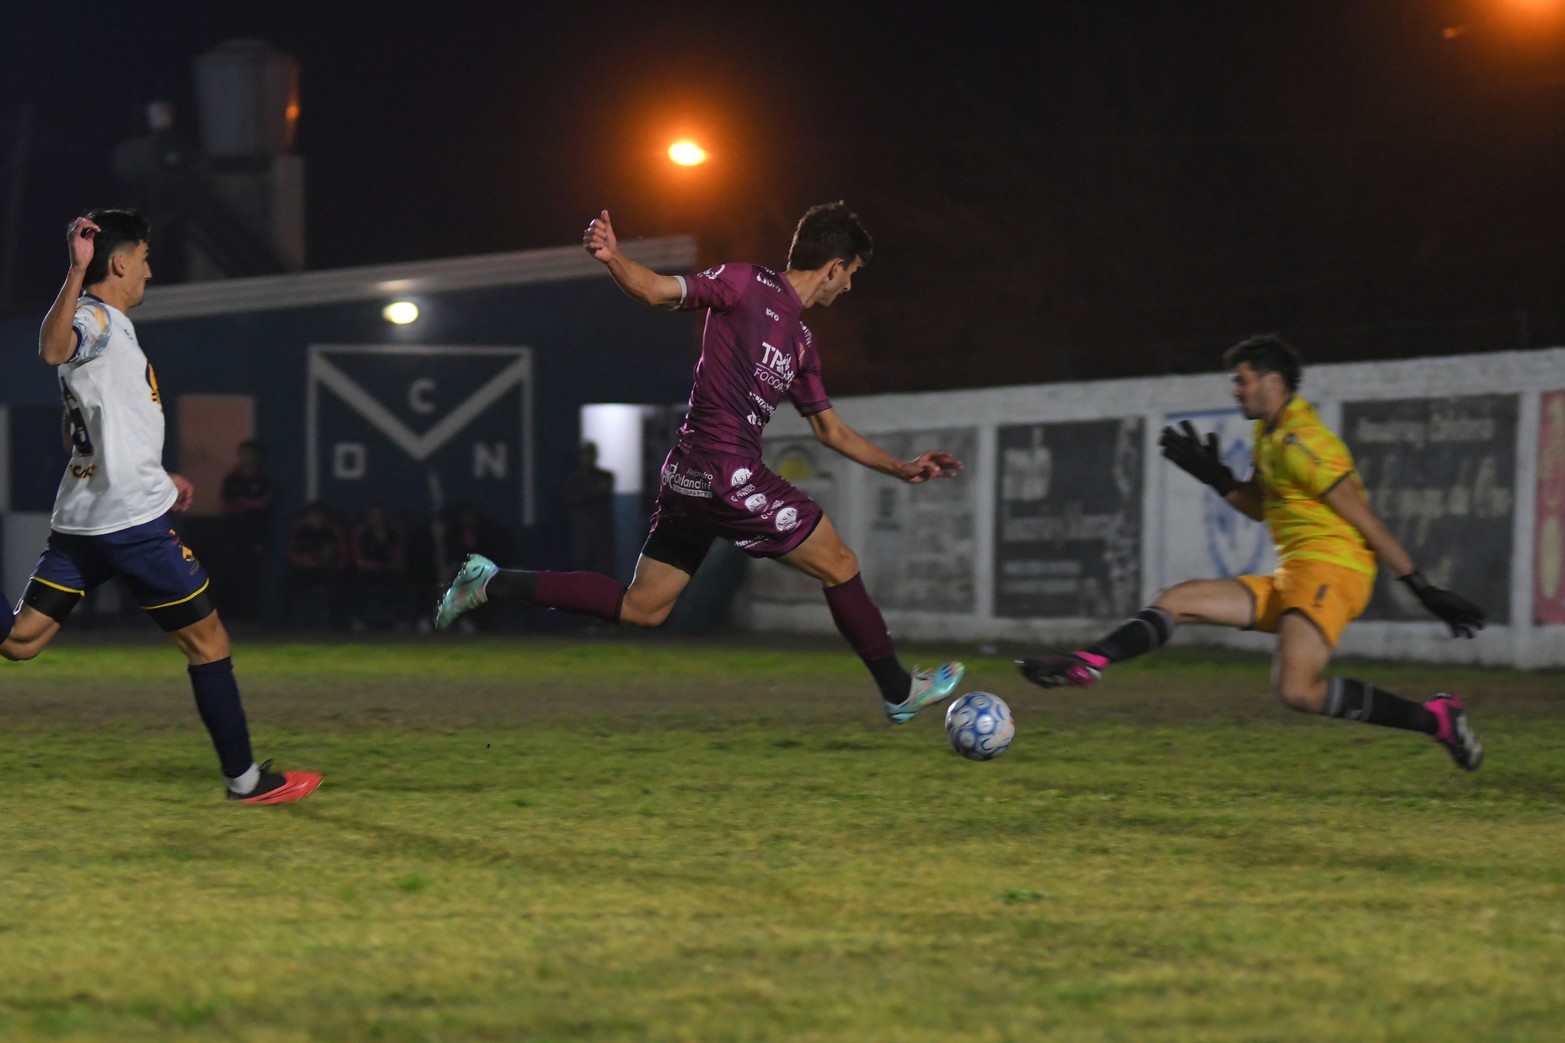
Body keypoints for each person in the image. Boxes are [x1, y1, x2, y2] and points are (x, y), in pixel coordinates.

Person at [437, 203, 966, 722]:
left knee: (644, 608)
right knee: (841, 564)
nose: (848, 287)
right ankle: (898, 690)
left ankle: (490, 582)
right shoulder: (745, 283)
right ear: (835, 267)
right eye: (851, 274)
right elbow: (658, 290)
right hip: (723, 470)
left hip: (690, 475)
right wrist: (613, 258)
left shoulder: (802, 342)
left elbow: (829, 430)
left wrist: (901, 467)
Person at [1017, 334, 1488, 770]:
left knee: (1297, 690)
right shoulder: (1270, 436)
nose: (1236, 392)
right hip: (1295, 575)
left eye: (1241, 382)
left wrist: (1424, 590)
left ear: (1272, 381)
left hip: (1333, 570)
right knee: (1176, 601)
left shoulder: (1304, 443)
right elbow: (1261, 508)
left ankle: (1436, 720)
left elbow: (1367, 521)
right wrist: (1218, 479)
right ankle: (1090, 663)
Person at [1, 210, 321, 803]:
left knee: (19, 640)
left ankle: (245, 779)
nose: (150, 269)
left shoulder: (112, 327)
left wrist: (160, 472)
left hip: (86, 517)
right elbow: (51, 348)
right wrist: (75, 271)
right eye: (144, 257)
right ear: (119, 263)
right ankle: (245, 781)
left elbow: (95, 429)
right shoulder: (95, 318)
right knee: (209, 642)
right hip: (133, 527)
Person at [219, 439, 275, 622]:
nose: (247, 458)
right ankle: (234, 615)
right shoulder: (231, 479)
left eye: (251, 455)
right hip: (233, 534)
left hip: (256, 535)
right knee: (234, 573)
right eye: (244, 454)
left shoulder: (263, 479)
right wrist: (246, 504)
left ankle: (254, 616)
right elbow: (226, 504)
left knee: (254, 574)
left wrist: (242, 503)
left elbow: (263, 503)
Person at [286, 500, 348, 630]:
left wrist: (327, 562)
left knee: (333, 583)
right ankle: (298, 624)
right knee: (296, 581)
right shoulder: (300, 529)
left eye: (319, 516)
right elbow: (292, 554)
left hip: (328, 570)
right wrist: (312, 558)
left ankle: (329, 625)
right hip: (304, 570)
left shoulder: (333, 530)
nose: (316, 520)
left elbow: (342, 556)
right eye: (312, 516)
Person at [349, 503, 410, 630]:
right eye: (373, 516)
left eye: (380, 515)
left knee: (402, 580)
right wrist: (374, 566)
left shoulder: (395, 530)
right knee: (357, 581)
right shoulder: (361, 532)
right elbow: (358, 557)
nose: (377, 519)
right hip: (368, 570)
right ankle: (359, 620)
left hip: (390, 570)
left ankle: (400, 620)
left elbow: (399, 552)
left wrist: (391, 563)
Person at [565, 441, 617, 576]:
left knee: (604, 569)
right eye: (584, 454)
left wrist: (585, 494)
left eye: (590, 454)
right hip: (583, 533)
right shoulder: (574, 479)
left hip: (601, 532)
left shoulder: (605, 476)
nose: (587, 458)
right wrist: (593, 492)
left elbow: (602, 491)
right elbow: (574, 498)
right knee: (582, 569)